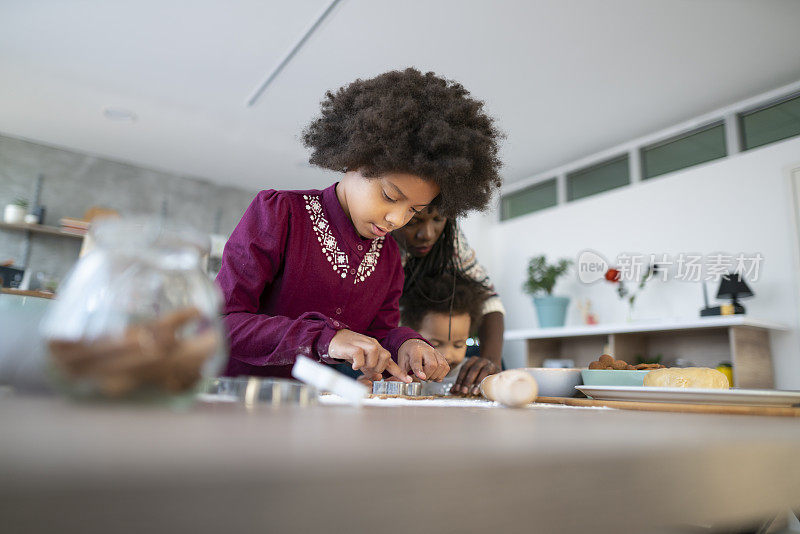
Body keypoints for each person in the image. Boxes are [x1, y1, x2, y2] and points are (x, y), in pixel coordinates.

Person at [216, 68, 503, 383]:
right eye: (390, 195)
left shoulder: (389, 257)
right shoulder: (279, 213)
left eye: (414, 210)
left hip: (318, 413)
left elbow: (379, 333)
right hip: (240, 403)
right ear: (355, 158)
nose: (397, 220)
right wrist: (325, 338)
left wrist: (404, 343)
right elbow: (222, 323)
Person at [393, 209, 506, 394]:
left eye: (438, 219)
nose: (427, 234)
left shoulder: (451, 238)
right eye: (413, 221)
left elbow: (488, 301)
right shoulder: (374, 247)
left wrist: (491, 362)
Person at [399, 273, 493, 396]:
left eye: (458, 345)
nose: (447, 355)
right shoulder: (400, 373)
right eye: (435, 344)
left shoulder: (474, 376)